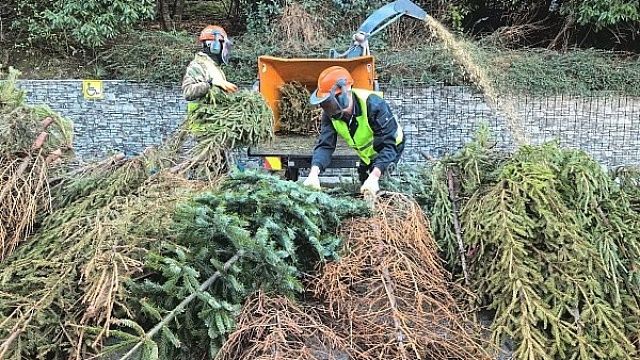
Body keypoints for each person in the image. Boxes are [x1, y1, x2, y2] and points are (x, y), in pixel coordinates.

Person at [303, 66, 404, 195]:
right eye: (324, 104)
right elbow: (325, 146)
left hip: (391, 147)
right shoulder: (330, 115)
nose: (326, 109)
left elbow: (387, 146)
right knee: (364, 182)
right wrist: (313, 174)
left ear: (344, 95)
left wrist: (374, 176)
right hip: (367, 154)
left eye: (328, 103)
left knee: (381, 187)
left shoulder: (374, 105)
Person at [182, 25, 238, 108]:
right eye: (222, 44)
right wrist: (210, 83)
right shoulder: (197, 65)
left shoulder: (212, 65)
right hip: (201, 119)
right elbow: (187, 92)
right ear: (215, 46)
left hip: (212, 117)